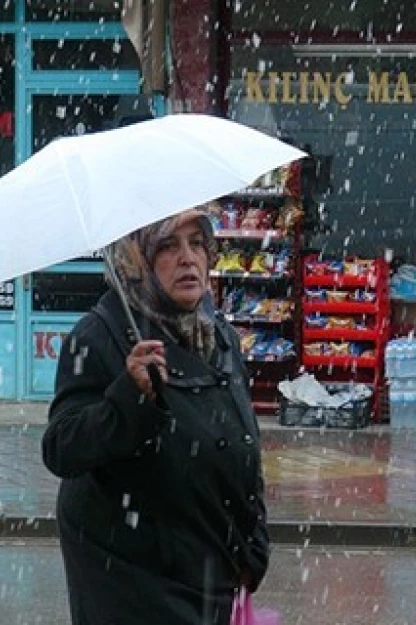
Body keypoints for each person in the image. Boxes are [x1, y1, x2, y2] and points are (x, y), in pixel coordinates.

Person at [42, 208, 269, 625]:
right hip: (133, 579)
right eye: (167, 246)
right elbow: (62, 448)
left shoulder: (217, 332)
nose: (188, 258)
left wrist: (254, 542)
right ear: (134, 260)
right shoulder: (98, 336)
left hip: (208, 572)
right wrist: (129, 397)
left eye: (197, 243)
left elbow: (242, 439)